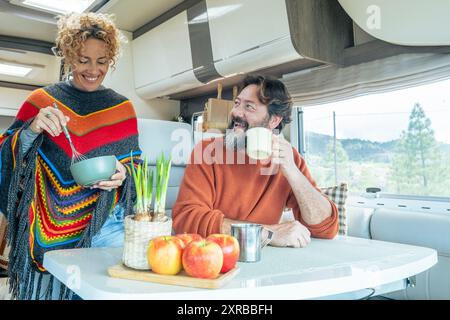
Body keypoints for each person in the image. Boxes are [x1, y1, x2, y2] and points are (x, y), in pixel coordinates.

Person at [0, 13, 141, 300]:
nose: (92, 69)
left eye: (102, 61)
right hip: (44, 226)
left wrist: (123, 173)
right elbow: (5, 153)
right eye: (83, 60)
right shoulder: (40, 101)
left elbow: (135, 165)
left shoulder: (122, 108)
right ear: (68, 55)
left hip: (105, 230)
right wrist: (31, 129)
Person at [173, 75, 339, 247]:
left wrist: (293, 173)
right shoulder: (207, 151)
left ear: (274, 120)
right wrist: (266, 233)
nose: (235, 112)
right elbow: (186, 219)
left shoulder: (290, 159)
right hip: (214, 257)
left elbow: (325, 228)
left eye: (249, 107)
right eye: (237, 103)